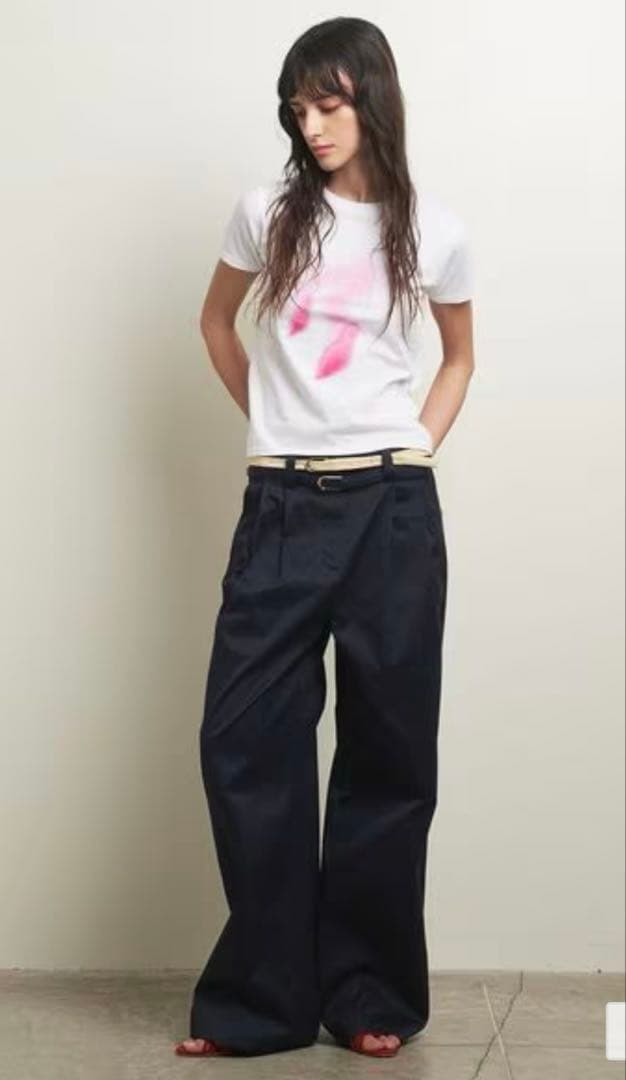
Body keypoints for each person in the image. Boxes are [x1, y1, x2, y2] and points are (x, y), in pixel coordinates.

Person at [175, 15, 474, 1062]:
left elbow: (458, 357)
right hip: (283, 508)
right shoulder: (265, 213)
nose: (311, 125)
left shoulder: (432, 229)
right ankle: (263, 1001)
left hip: (391, 510)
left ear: (372, 97)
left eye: (329, 102)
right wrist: (273, 423)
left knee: (388, 756)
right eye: (298, 108)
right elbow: (215, 323)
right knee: (242, 744)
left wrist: (416, 446)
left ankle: (367, 993)